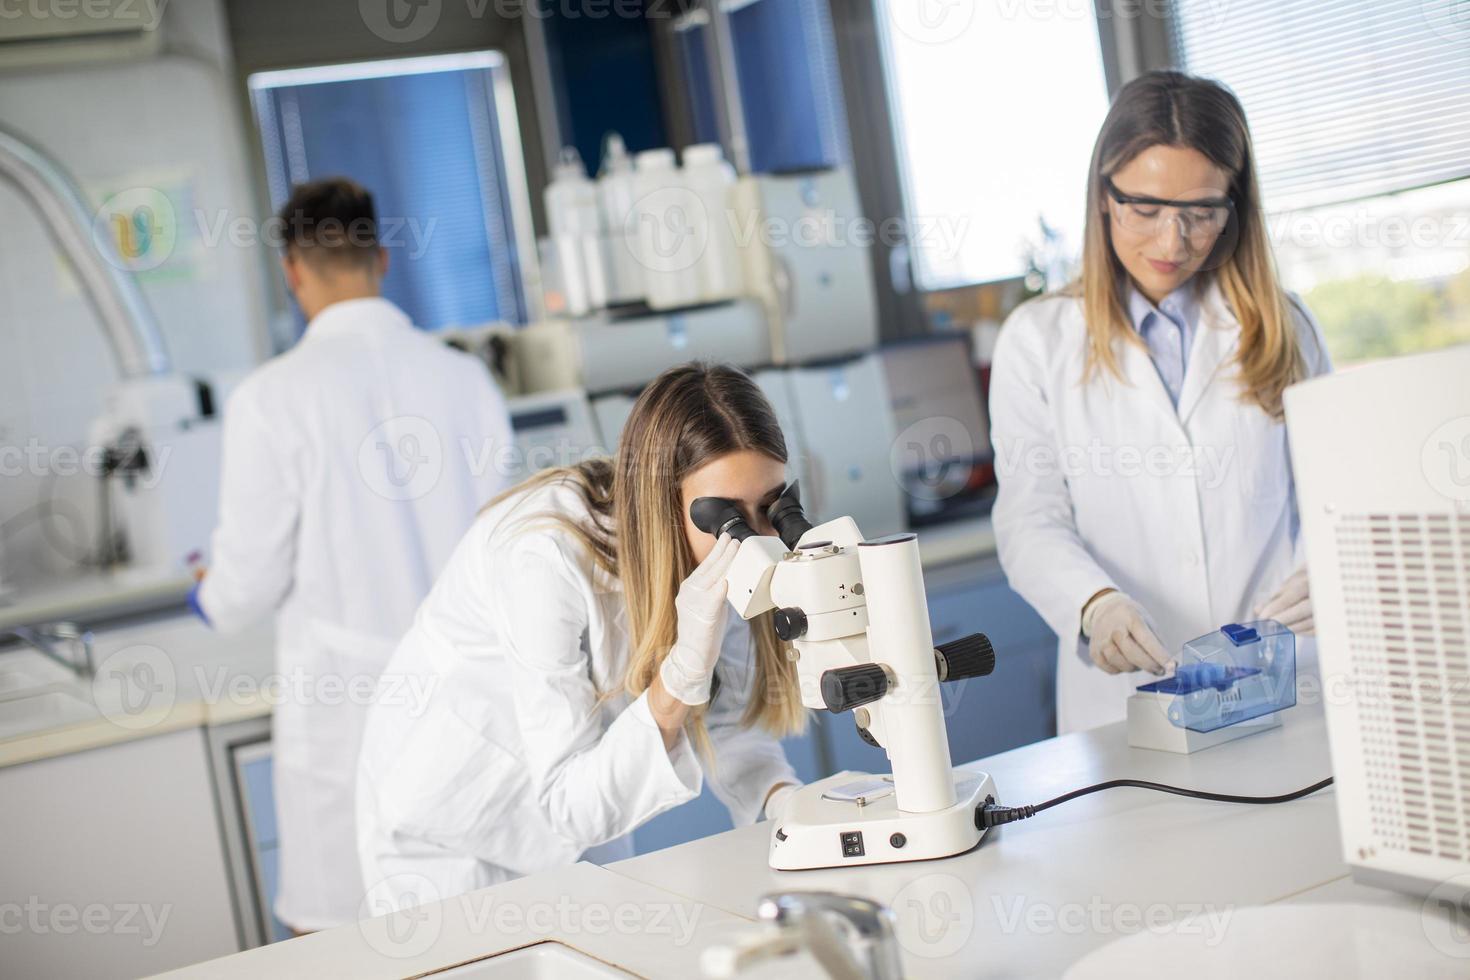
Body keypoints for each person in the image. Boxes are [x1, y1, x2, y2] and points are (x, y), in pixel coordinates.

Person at [356, 363, 803, 911]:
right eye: (728, 518)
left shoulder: (708, 548)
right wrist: (677, 680)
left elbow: (725, 722)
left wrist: (788, 805)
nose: (755, 539)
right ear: (662, 502)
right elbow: (569, 803)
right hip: (451, 841)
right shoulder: (545, 559)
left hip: (579, 819)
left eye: (770, 509)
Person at [191, 177, 514, 931]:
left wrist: (205, 591)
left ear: (292, 270)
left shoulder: (271, 398)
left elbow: (245, 584)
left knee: (346, 937)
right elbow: (502, 544)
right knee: (484, 928)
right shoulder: (465, 379)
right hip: (471, 705)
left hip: (349, 715)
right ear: (384, 258)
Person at [989, 71, 1330, 734]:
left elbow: (1334, 491)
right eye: (1146, 209)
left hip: (1285, 685)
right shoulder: (1037, 341)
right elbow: (1029, 520)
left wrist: (1327, 570)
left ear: (1236, 205)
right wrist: (1094, 605)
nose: (1173, 242)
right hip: (1126, 708)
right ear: (1104, 197)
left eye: (1202, 212)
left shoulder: (1286, 326)